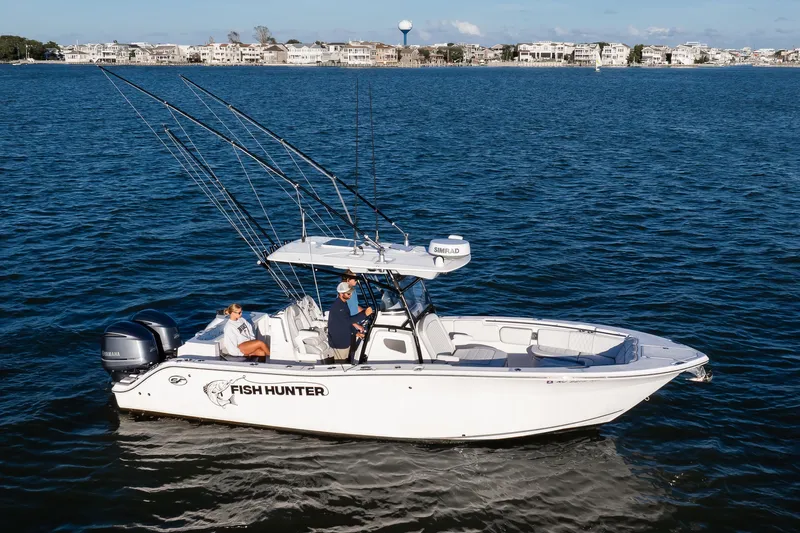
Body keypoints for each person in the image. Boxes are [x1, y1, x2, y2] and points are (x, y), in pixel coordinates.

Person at [327, 282, 372, 363]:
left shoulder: (343, 304)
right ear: (341, 294)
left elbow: (346, 322)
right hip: (340, 342)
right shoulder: (338, 306)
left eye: (350, 293)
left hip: (344, 338)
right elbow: (349, 320)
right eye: (348, 293)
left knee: (346, 359)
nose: (350, 295)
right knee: (340, 363)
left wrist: (356, 333)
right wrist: (364, 313)